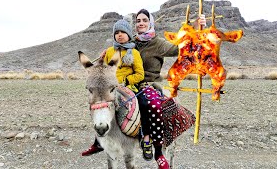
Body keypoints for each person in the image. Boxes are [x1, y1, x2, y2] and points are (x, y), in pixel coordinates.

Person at [82, 9, 206, 169]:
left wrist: (194, 28)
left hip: (147, 84)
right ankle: (100, 141)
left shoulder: (158, 43)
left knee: (151, 105)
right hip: (122, 85)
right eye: (138, 21)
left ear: (150, 23)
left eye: (144, 20)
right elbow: (118, 50)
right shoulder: (130, 41)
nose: (141, 23)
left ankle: (156, 149)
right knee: (101, 102)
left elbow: (179, 49)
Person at [81, 19, 144, 156]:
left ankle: (143, 137)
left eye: (123, 32)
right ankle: (98, 142)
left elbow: (140, 74)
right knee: (99, 107)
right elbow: (103, 70)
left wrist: (124, 81)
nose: (120, 35)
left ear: (129, 34)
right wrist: (99, 61)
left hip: (129, 87)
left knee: (143, 105)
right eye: (117, 32)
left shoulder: (134, 53)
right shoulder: (109, 51)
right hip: (110, 89)